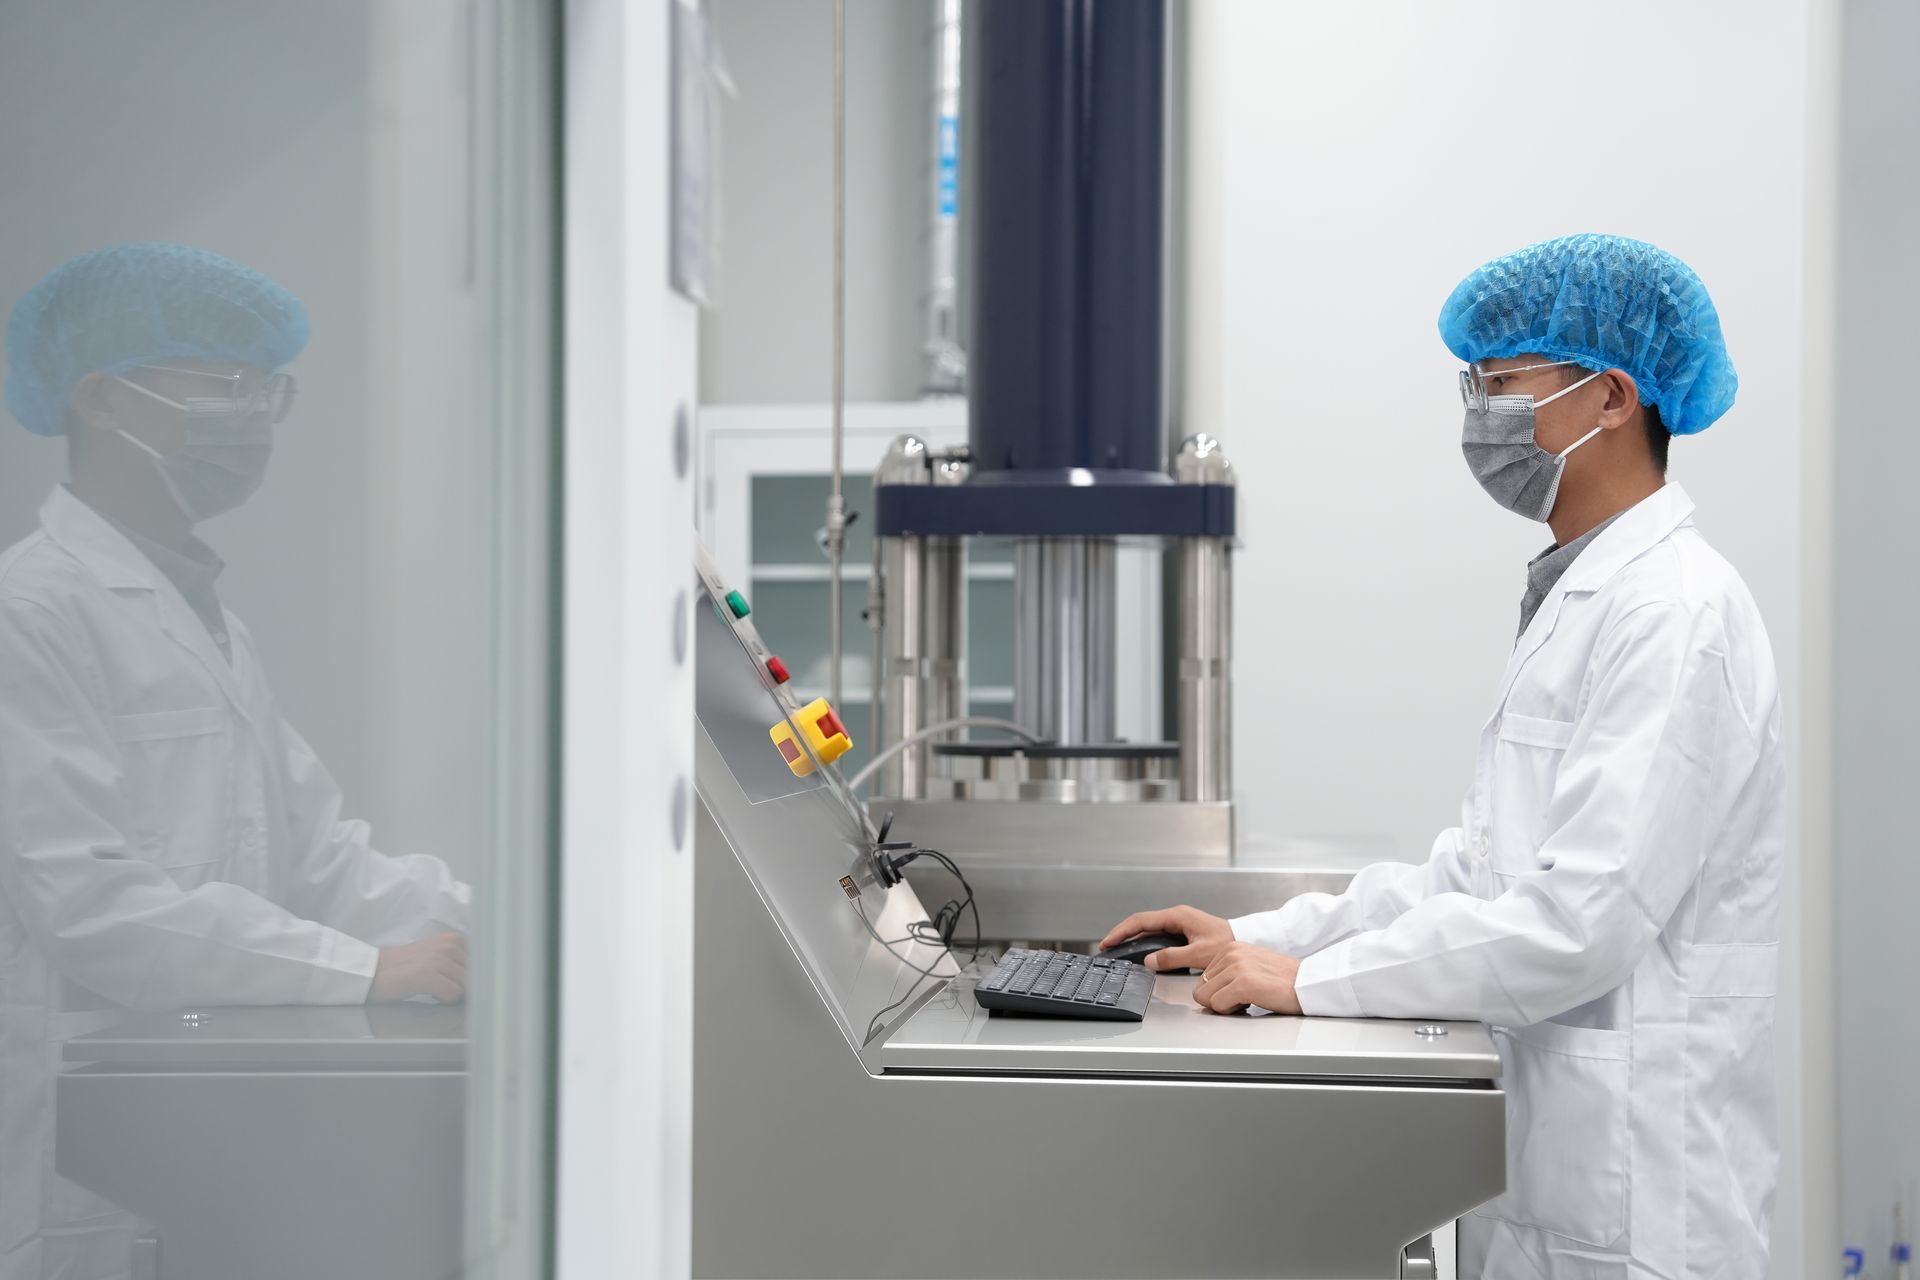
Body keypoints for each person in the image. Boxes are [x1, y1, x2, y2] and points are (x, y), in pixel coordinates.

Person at [1104, 234, 1782, 1278]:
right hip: (1554, 1179)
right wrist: (1252, 933)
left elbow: (1577, 922)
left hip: (1642, 1205)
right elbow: (1475, 874)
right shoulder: (1584, 593)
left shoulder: (1675, 612)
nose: (1481, 410)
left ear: (1609, 398)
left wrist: (1311, 981)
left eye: (1504, 380)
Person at [0, 243, 473, 1280]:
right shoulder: (30, 610)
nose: (253, 415)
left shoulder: (205, 614)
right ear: (99, 398)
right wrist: (370, 971)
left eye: (267, 389)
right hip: (81, 1147)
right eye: (223, 384)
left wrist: (494, 933)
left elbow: (317, 856)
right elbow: (88, 901)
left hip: (199, 1125)